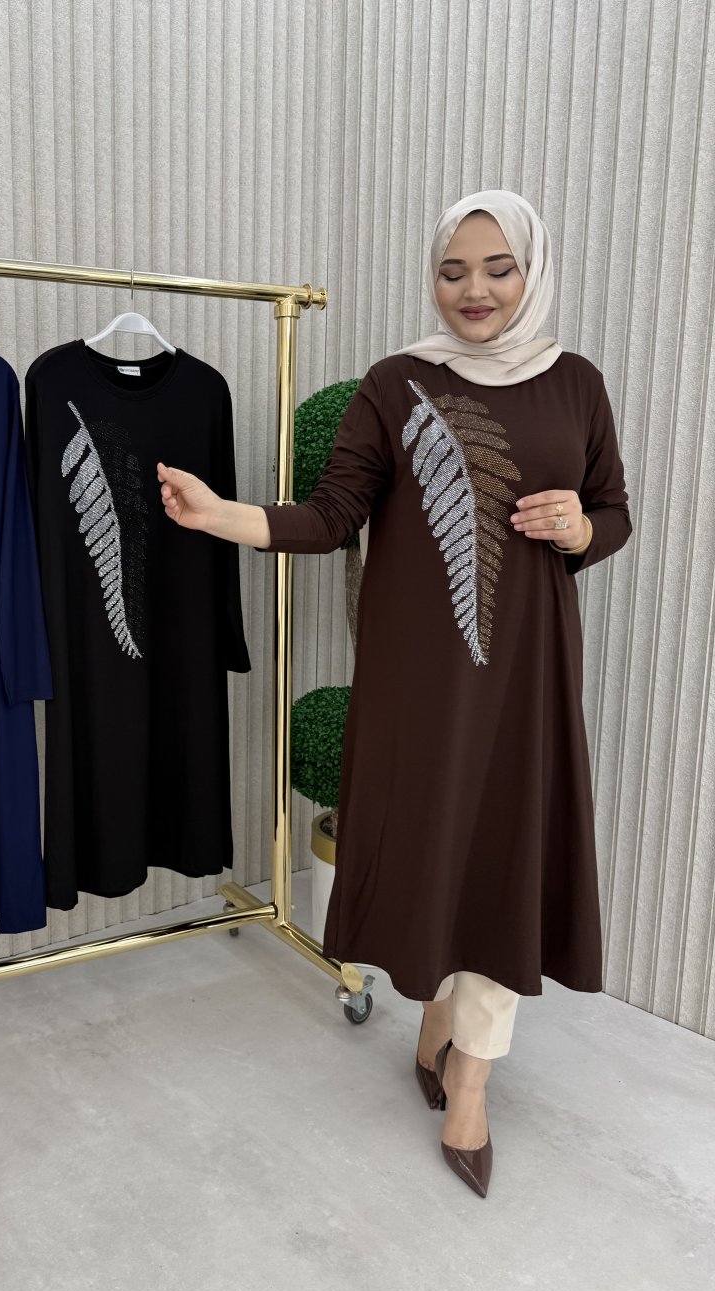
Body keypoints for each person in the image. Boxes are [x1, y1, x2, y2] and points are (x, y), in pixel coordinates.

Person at [156, 190, 632, 1199]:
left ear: (533, 270)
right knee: (434, 849)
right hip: (419, 681)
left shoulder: (576, 384)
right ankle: (435, 1012)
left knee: (503, 855)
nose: (474, 290)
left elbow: (613, 511)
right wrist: (223, 515)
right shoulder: (394, 383)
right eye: (453, 270)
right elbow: (333, 515)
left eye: (498, 267)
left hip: (526, 679)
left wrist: (582, 530)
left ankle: (470, 1082)